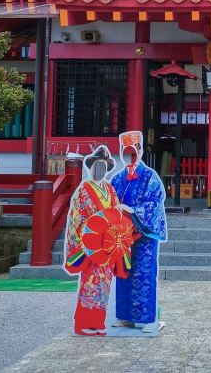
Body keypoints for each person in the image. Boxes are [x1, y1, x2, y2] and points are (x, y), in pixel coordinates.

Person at [63, 146, 140, 336]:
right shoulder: (84, 190)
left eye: (104, 166)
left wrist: (122, 211)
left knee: (103, 285)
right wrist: (88, 236)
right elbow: (77, 218)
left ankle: (97, 323)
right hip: (91, 245)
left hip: (107, 245)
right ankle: (83, 323)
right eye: (98, 165)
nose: (101, 169)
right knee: (90, 283)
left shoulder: (109, 188)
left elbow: (114, 213)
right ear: (91, 167)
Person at [109, 130, 168, 333]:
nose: (130, 156)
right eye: (126, 152)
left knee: (144, 274)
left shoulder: (150, 176)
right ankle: (124, 316)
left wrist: (133, 210)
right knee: (123, 273)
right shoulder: (117, 178)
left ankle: (147, 317)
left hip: (143, 234)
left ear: (140, 151)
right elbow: (109, 202)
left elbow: (155, 202)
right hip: (122, 235)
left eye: (133, 151)